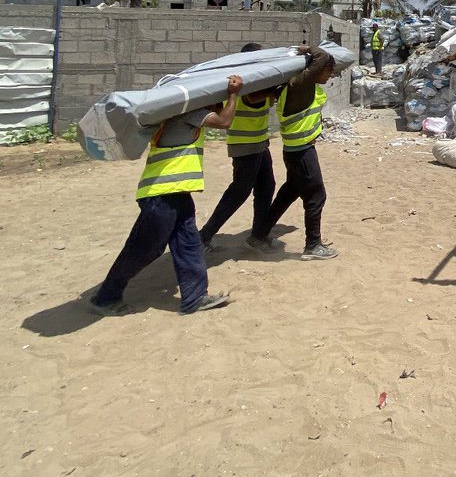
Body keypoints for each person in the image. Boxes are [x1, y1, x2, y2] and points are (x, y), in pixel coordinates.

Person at [89, 75, 243, 316]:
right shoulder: (188, 114)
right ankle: (105, 297)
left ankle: (194, 298)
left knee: (189, 246)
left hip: (176, 192)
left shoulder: (177, 115)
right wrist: (234, 93)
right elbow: (225, 122)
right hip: (161, 195)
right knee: (142, 249)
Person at [247, 44, 338, 261]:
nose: (330, 75)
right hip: (301, 151)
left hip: (296, 150)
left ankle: (259, 234)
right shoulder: (300, 86)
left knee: (290, 191)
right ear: (317, 69)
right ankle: (313, 245)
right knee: (316, 196)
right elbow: (322, 55)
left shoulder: (300, 88)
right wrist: (308, 48)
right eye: (328, 71)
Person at [198, 43, 279, 253]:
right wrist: (280, 84)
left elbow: (267, 101)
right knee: (239, 191)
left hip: (260, 142)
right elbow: (253, 99)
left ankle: (258, 234)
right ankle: (204, 236)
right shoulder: (240, 82)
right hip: (244, 144)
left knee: (266, 187)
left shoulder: (258, 81)